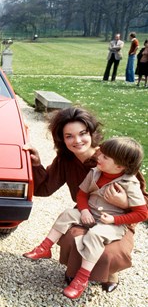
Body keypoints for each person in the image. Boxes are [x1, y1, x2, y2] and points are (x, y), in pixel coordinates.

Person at [23, 107, 148, 293]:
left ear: (91, 133)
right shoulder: (65, 160)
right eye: (69, 136)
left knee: (107, 251)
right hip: (87, 211)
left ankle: (109, 273)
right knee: (74, 238)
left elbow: (143, 204)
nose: (77, 141)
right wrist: (36, 164)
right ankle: (74, 269)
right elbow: (44, 188)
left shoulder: (114, 158)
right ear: (62, 139)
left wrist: (124, 203)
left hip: (117, 219)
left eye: (83, 133)